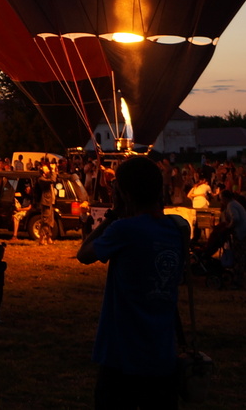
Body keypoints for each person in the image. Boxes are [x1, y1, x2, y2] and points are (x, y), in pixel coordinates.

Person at [77, 157, 189, 409]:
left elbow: (84, 254)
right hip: (162, 354)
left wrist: (112, 215)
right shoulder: (178, 229)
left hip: (122, 355)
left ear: (124, 194)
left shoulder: (123, 230)